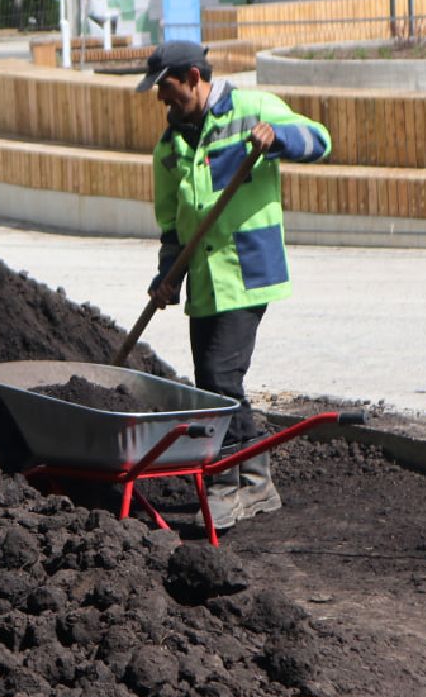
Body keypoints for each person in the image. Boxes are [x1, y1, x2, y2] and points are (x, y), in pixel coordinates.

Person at [135, 40, 331, 528]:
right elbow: (171, 224)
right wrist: (166, 278)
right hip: (203, 278)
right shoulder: (169, 147)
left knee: (220, 382)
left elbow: (322, 140)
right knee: (215, 385)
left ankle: (226, 485)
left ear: (195, 77)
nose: (162, 99)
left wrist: (278, 137)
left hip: (246, 271)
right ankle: (256, 482)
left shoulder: (250, 109)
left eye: (168, 88)